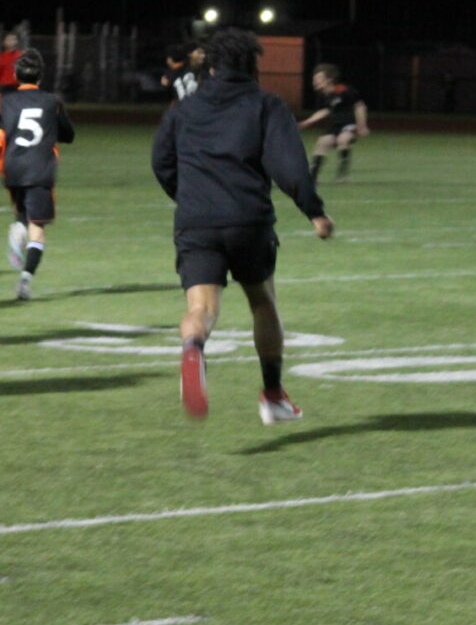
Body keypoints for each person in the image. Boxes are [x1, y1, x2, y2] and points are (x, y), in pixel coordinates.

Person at [151, 27, 333, 425]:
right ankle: (273, 396)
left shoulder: (184, 109)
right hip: (248, 220)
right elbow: (290, 166)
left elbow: (161, 161)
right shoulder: (266, 105)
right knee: (262, 301)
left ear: (211, 67)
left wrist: (188, 197)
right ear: (252, 66)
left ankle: (193, 348)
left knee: (200, 307)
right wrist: (315, 212)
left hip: (197, 221)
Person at [0, 47, 74, 301]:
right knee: (37, 227)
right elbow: (68, 135)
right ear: (41, 76)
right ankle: (25, 279)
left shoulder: (2, 99)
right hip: (40, 168)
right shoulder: (52, 101)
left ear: (16, 75)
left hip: (13, 168)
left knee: (24, 214)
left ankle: (18, 227)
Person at [298, 63, 369, 184]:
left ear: (329, 80)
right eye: (314, 79)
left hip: (350, 124)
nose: (315, 82)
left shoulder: (344, 90)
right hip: (336, 126)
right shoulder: (325, 95)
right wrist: (308, 121)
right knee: (322, 142)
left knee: (343, 139)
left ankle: (342, 176)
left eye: (318, 79)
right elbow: (325, 110)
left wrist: (362, 126)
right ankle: (313, 177)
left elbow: (360, 106)